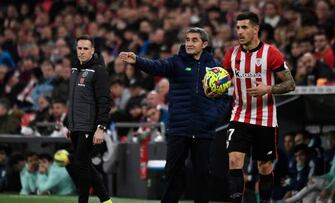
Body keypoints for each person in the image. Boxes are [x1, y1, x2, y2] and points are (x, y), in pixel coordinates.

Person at [119, 27, 228, 203]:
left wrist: (214, 116)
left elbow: (224, 96)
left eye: (194, 40)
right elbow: (155, 66)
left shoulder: (216, 68)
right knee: (173, 173)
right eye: (188, 39)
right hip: (179, 128)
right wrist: (137, 60)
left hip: (203, 130)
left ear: (204, 44)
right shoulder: (177, 62)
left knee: (202, 175)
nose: (190, 43)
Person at [222, 12, 296, 203]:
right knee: (234, 161)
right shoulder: (232, 53)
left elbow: (290, 84)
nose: (240, 32)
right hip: (239, 115)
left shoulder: (271, 53)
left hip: (265, 118)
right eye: (238, 28)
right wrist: (214, 87)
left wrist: (269, 88)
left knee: (264, 167)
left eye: (244, 27)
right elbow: (222, 80)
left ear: (256, 29)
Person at [68, 35, 112, 203]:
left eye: (86, 48)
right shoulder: (74, 69)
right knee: (83, 163)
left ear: (93, 50)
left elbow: (104, 100)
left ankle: (83, 200)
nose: (82, 51)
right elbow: (73, 100)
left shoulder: (98, 70)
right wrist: (69, 124)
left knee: (80, 164)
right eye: (79, 48)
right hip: (76, 125)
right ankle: (106, 200)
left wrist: (101, 127)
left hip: (88, 126)